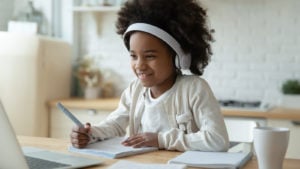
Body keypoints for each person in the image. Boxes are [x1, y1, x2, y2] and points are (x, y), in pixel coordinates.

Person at [71, 0, 229, 152]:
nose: (139, 65)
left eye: (150, 56)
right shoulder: (135, 89)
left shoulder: (194, 89)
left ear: (178, 57)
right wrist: (91, 133)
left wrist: (160, 140)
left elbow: (218, 140)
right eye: (133, 56)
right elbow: (115, 125)